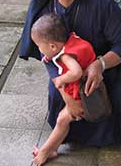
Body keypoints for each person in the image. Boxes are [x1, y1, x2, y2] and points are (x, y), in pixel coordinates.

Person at [19, 0, 121, 152]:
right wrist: (64, 90)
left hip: (112, 63)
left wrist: (99, 65)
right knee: (58, 94)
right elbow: (46, 54)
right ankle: (70, 135)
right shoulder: (45, 11)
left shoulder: (103, 4)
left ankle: (113, 134)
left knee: (119, 95)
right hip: (67, 70)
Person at [30, 13, 96, 165]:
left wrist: (61, 79)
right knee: (63, 121)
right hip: (82, 90)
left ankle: (45, 151)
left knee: (61, 120)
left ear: (52, 46)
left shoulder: (66, 56)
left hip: (83, 97)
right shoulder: (70, 41)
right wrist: (51, 56)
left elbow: (76, 72)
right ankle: (53, 149)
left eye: (40, 46)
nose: (40, 50)